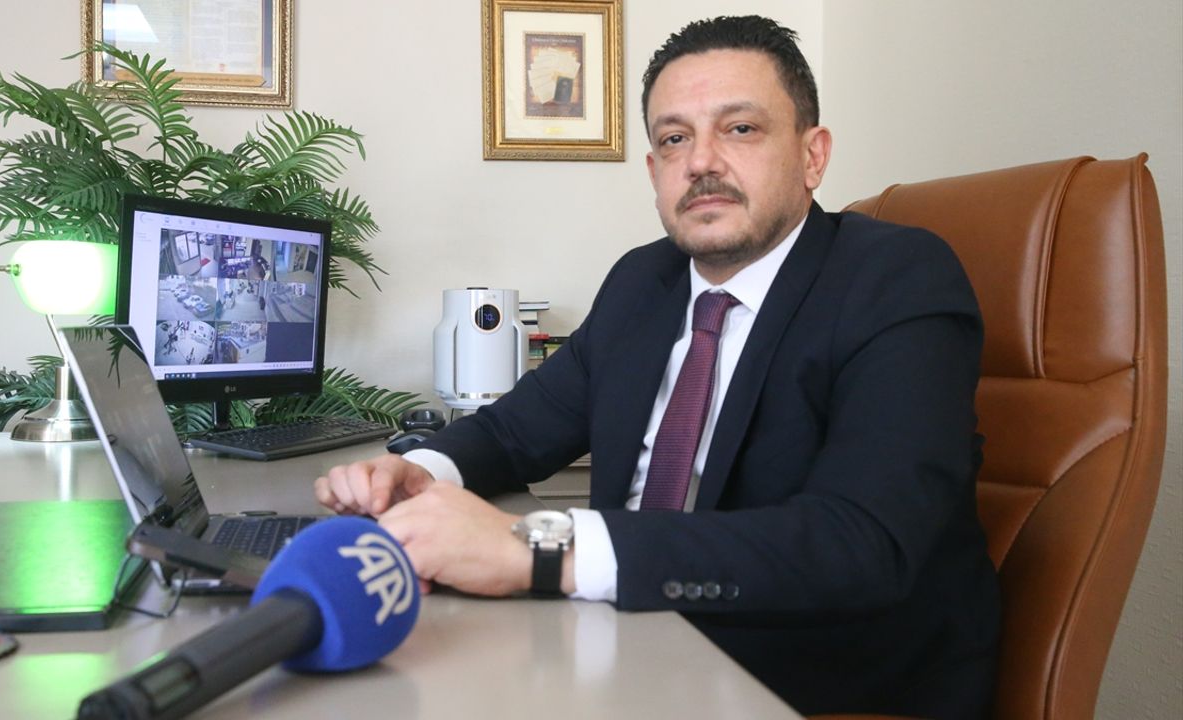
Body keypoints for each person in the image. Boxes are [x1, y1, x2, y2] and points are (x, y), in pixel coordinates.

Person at [316, 15, 999, 719]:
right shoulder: (644, 282)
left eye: (740, 129)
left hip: (809, 679)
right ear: (654, 172)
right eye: (674, 138)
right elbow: (513, 432)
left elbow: (860, 544)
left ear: (812, 155)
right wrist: (422, 473)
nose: (701, 161)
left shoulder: (896, 279)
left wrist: (542, 551)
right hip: (622, 640)